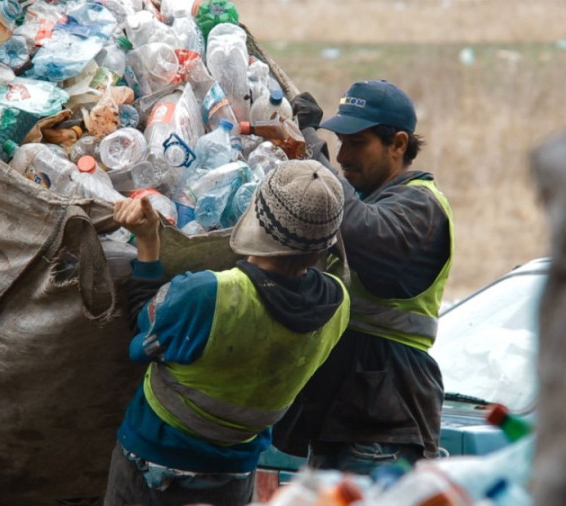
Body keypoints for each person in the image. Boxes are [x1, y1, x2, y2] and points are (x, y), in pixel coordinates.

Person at [103, 160, 351, 506]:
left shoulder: (207, 294)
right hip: (234, 476)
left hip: (155, 465)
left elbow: (141, 327)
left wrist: (147, 241)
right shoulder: (338, 303)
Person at [273, 80, 455, 475]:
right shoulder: (370, 199)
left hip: (385, 420)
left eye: (357, 143)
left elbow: (359, 229)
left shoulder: (420, 205)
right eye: (339, 142)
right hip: (346, 414)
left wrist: (311, 154)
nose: (343, 156)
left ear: (399, 144)